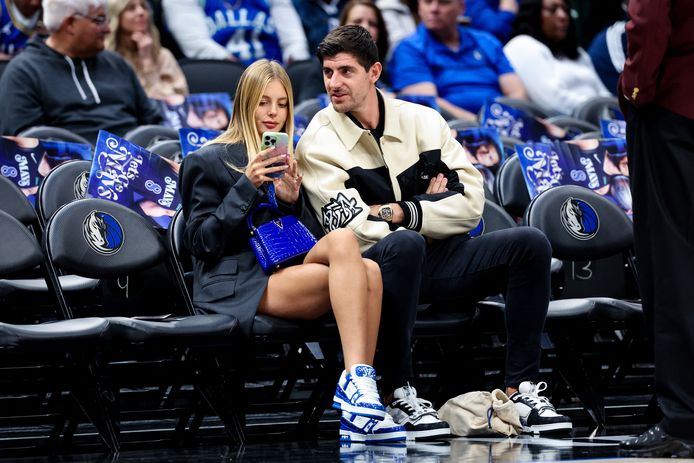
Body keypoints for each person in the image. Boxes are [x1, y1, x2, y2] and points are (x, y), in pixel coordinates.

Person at [297, 25, 572, 439]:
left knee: (529, 243)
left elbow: (471, 204)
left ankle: (521, 391)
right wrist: (425, 210)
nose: (334, 83)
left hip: (438, 260)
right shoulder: (318, 142)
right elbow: (353, 230)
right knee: (403, 244)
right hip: (373, 272)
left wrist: (400, 210)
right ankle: (397, 393)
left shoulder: (424, 121)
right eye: (328, 72)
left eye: (346, 71)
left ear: (374, 72)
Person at [179, 59, 407, 444]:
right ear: (244, 104)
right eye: (263, 102)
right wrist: (246, 186)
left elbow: (301, 237)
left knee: (358, 258)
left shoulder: (289, 157)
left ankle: (358, 392)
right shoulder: (206, 160)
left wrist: (290, 201)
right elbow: (201, 243)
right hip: (235, 283)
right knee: (358, 266)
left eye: (282, 104)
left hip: (284, 269)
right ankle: (361, 391)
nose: (273, 113)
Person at [618, 0, 694, 457]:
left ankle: (683, 417)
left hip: (674, 105)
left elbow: (648, 19)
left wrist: (634, 89)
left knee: (674, 267)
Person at [0, 0, 162, 143]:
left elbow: (154, 122)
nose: (107, 29)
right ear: (70, 23)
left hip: (139, 164)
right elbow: (26, 148)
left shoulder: (117, 63)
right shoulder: (24, 72)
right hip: (74, 172)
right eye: (99, 20)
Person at [389, 0, 527, 121]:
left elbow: (517, 92)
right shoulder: (409, 48)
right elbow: (427, 104)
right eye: (427, 2)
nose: (434, 9)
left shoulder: (486, 41)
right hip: (452, 131)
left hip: (504, 124)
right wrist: (482, 125)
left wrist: (506, 121)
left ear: (461, 7)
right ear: (419, 6)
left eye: (444, 2)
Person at [503, 0, 611, 116]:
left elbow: (602, 92)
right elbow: (552, 101)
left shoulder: (578, 52)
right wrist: (603, 113)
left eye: (565, 10)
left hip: (602, 122)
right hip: (569, 126)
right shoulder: (522, 45)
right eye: (552, 10)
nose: (563, 16)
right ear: (533, 13)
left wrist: (613, 111)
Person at [163, 0, 309, 66]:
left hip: (277, 72)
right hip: (225, 78)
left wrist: (292, 68)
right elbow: (195, 43)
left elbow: (294, 41)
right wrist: (240, 73)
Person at [106, 0, 188, 100]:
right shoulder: (107, 59)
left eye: (144, 7)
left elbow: (175, 102)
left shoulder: (162, 56)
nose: (141, 12)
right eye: (131, 8)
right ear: (116, 16)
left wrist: (147, 62)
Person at [339, 0, 391, 84]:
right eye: (357, 21)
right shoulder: (322, 67)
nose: (366, 27)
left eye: (372, 24)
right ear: (342, 27)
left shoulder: (386, 74)